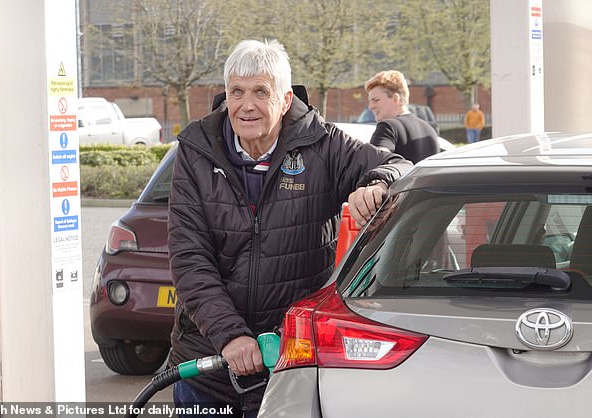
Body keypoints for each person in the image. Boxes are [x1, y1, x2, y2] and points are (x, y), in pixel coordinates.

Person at [167, 39, 412, 417]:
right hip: (207, 367)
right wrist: (231, 337)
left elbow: (400, 166)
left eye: (260, 92)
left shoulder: (322, 144)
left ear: (284, 100)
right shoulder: (196, 151)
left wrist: (377, 183)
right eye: (237, 92)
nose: (246, 105)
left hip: (292, 365)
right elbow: (189, 257)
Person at [365, 70, 439, 164]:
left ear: (396, 98)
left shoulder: (387, 127)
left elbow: (375, 165)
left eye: (376, 100)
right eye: (370, 101)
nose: (370, 107)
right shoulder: (429, 129)